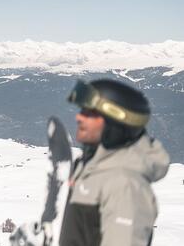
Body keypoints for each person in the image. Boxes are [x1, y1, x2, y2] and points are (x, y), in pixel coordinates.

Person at [59, 79, 170, 246]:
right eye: (82, 110)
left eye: (90, 114)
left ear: (115, 123)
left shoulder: (124, 184)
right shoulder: (93, 168)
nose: (79, 117)